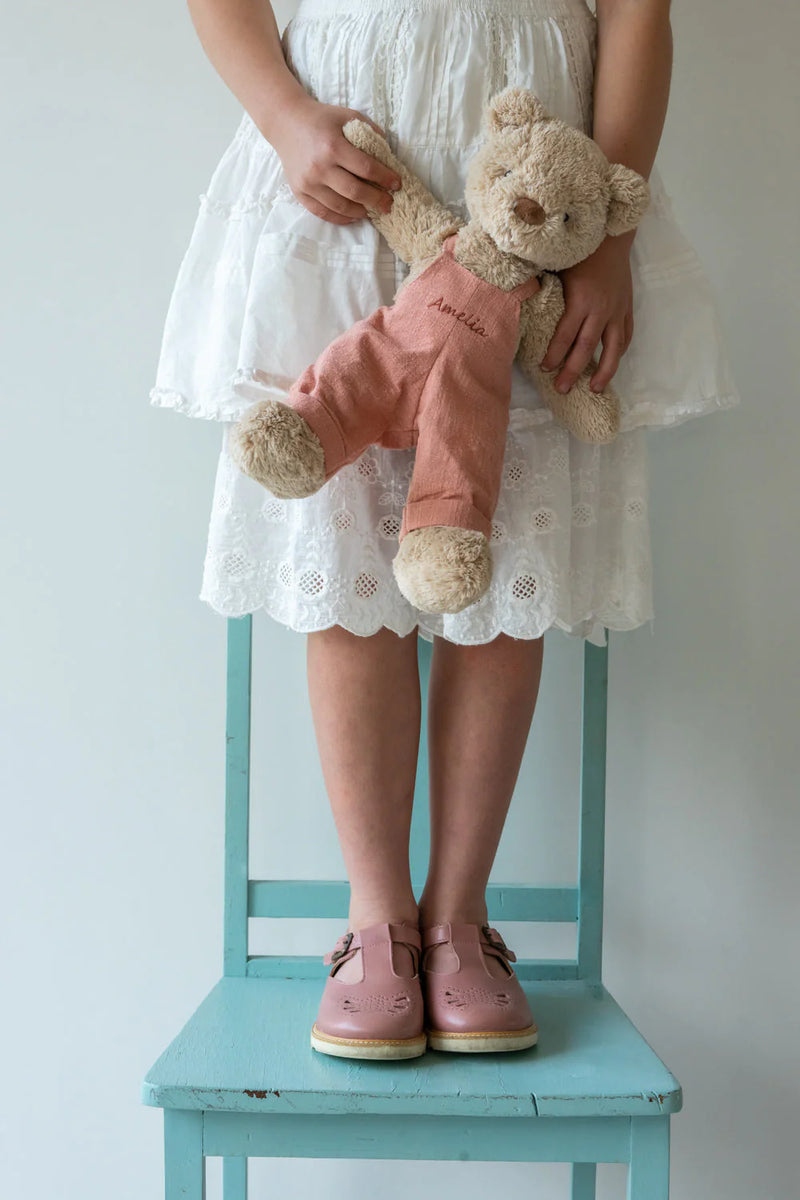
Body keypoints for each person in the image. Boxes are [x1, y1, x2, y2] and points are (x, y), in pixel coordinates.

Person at [150, 0, 741, 1059]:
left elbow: (636, 12)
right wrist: (284, 118)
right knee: (347, 546)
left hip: (531, 191)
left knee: (501, 548)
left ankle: (456, 918)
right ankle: (374, 919)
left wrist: (608, 231)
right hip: (341, 172)